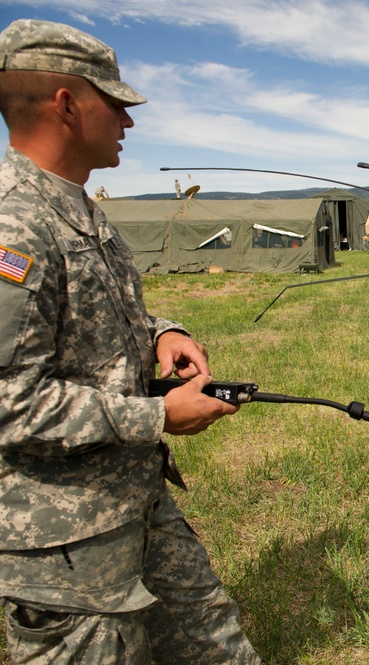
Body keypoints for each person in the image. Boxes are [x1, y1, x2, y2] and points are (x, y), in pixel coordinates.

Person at [0, 19, 260, 663]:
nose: (129, 121)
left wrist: (162, 332)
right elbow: (12, 401)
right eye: (115, 103)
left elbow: (94, 314)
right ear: (66, 103)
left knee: (216, 644)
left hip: (133, 500)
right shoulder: (14, 225)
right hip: (65, 542)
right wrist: (158, 414)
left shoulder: (81, 209)